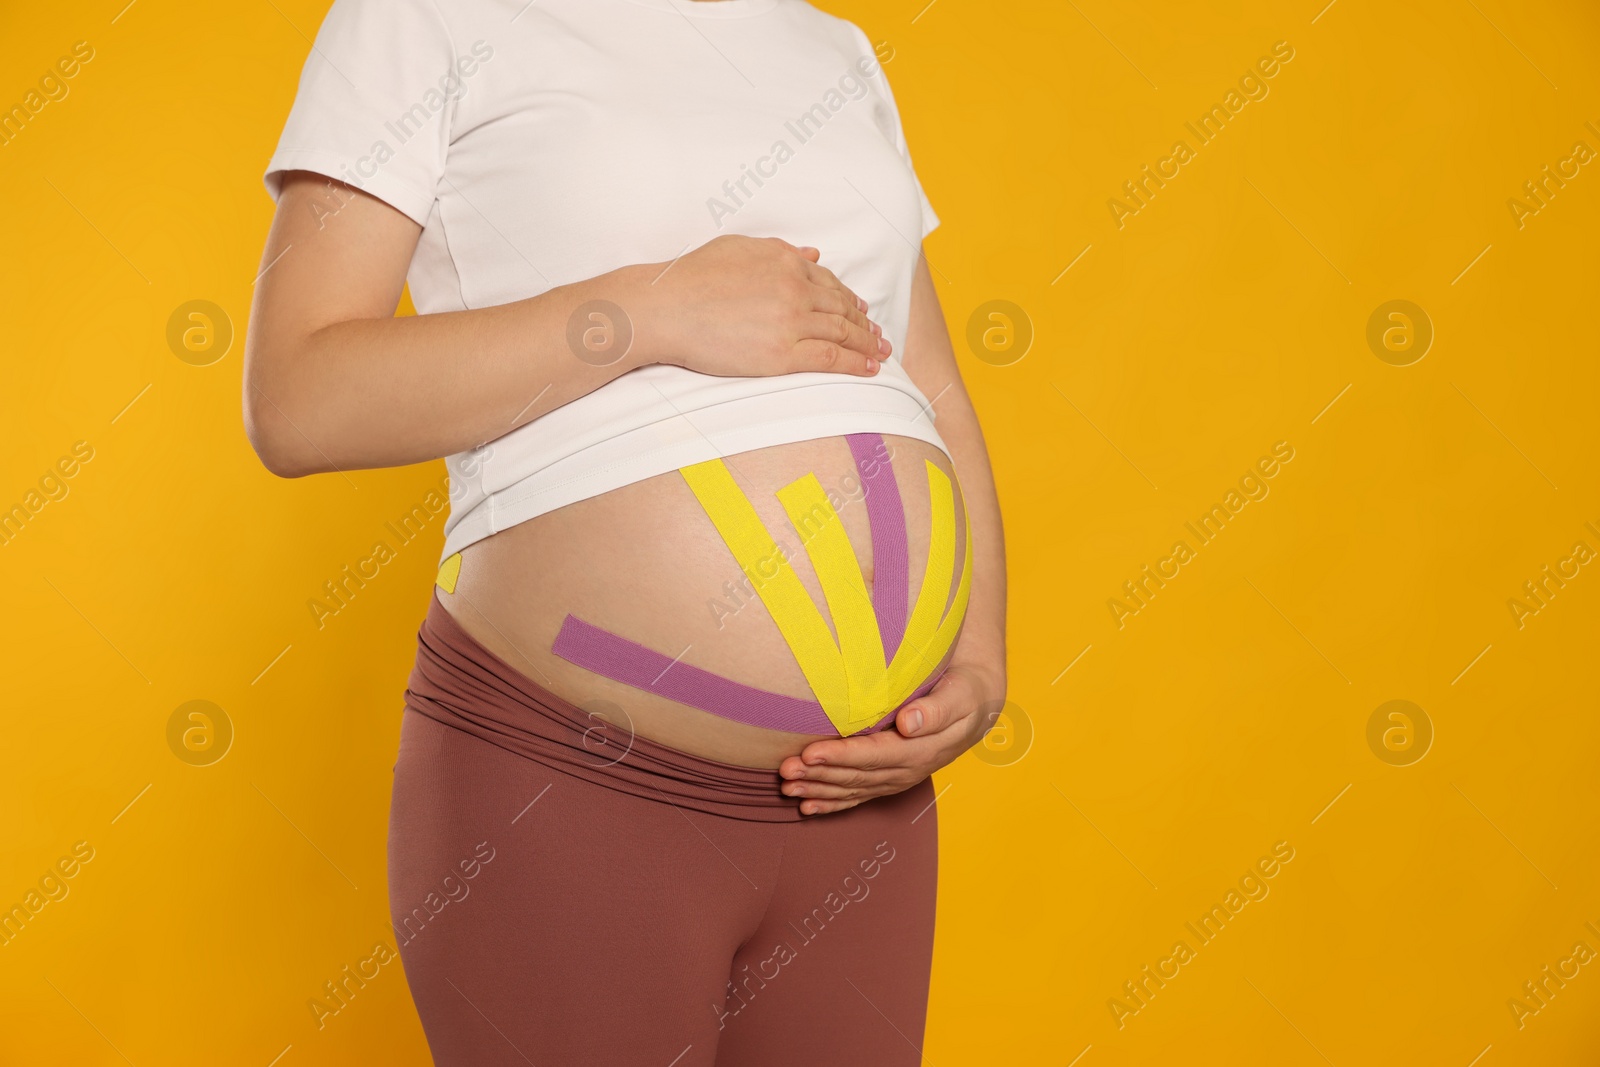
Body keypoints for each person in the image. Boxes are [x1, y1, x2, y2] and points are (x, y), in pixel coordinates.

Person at [245, 0, 1006, 1062]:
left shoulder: (829, 48)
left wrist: (973, 661)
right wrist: (645, 311)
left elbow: (930, 388)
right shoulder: (419, 18)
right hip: (582, 781)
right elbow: (298, 400)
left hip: (864, 803)